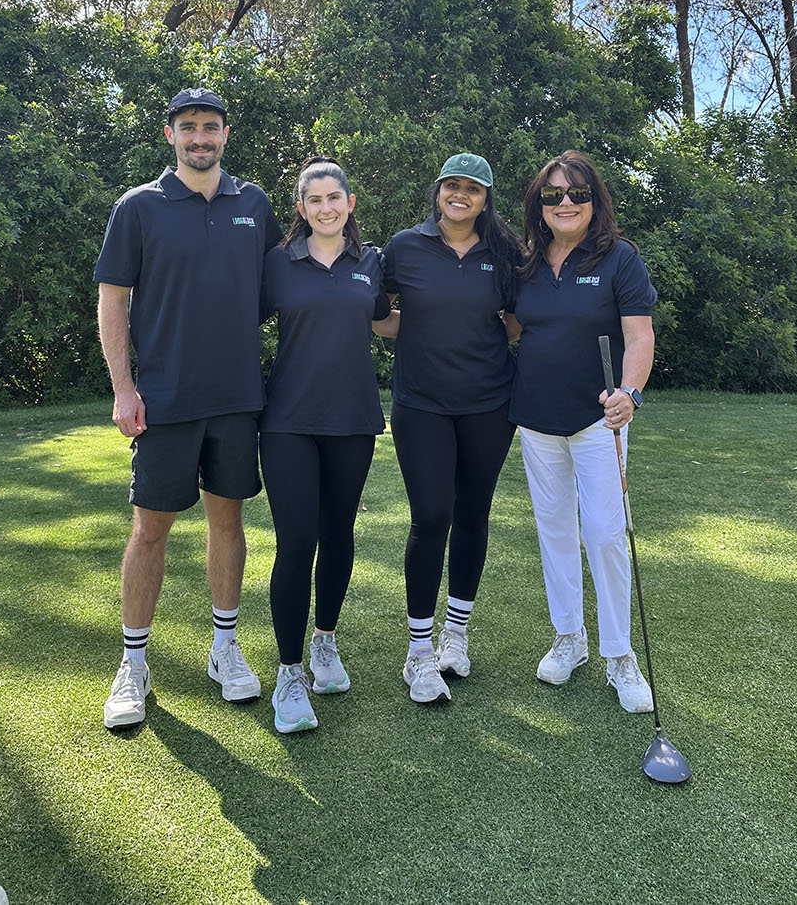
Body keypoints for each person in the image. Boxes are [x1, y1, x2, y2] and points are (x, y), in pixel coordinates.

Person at [95, 88, 281, 729]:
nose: (200, 137)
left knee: (228, 524)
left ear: (226, 133)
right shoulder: (138, 207)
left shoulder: (253, 204)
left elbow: (288, 283)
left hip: (236, 400)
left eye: (211, 126)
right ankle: (134, 663)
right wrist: (124, 386)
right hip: (165, 401)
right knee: (150, 530)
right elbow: (113, 300)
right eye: (188, 127)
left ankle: (224, 648)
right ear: (171, 134)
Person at [505, 150, 657, 713]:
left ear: (594, 201)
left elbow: (638, 338)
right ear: (539, 206)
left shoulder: (620, 258)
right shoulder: (526, 263)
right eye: (552, 195)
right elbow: (509, 326)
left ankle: (620, 654)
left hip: (599, 419)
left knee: (605, 533)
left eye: (576, 194)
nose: (564, 203)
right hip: (537, 419)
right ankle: (570, 638)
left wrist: (630, 393)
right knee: (555, 532)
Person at [259, 157, 397, 733]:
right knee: (297, 541)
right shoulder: (276, 263)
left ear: (350, 203)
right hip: (287, 421)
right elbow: (235, 320)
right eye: (314, 200)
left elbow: (392, 322)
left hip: (352, 419)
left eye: (334, 197)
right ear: (300, 208)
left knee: (339, 533)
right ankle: (288, 674)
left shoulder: (372, 263)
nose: (325, 208)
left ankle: (324, 644)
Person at [382, 153, 521, 703]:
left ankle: (455, 636)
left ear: (486, 199)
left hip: (490, 402)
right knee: (431, 515)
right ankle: (418, 653)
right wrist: (417, 330)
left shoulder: (504, 252)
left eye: (473, 189)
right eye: (452, 186)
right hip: (421, 404)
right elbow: (378, 313)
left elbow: (515, 320)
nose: (460, 195)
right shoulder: (405, 247)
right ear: (438, 191)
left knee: (472, 513)